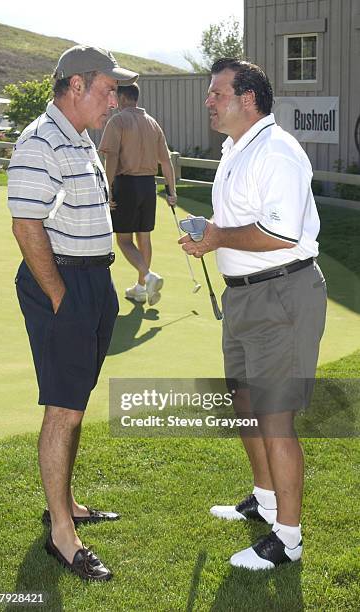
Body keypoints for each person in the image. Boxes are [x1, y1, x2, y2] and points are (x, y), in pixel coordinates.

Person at [179, 58, 327, 570]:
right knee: (244, 402)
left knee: (275, 417)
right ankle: (265, 503)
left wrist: (218, 237)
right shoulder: (234, 148)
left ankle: (287, 538)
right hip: (245, 295)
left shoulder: (278, 151)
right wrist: (210, 232)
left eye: (217, 93)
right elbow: (241, 218)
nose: (209, 101)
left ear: (248, 99)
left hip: (282, 296)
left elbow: (282, 234)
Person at [8, 45, 138, 581]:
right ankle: (63, 534)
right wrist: (61, 296)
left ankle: (67, 504)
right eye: (109, 90)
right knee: (63, 409)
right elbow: (26, 225)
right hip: (63, 283)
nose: (115, 101)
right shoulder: (39, 139)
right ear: (77, 85)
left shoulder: (79, 135)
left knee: (75, 401)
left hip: (93, 279)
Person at [99, 83, 177, 306]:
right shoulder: (152, 123)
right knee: (144, 237)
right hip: (148, 187)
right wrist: (172, 192)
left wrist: (108, 189)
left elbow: (111, 158)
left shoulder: (117, 121)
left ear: (122, 98)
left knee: (124, 240)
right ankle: (142, 288)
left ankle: (149, 276)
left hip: (127, 185)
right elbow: (166, 161)